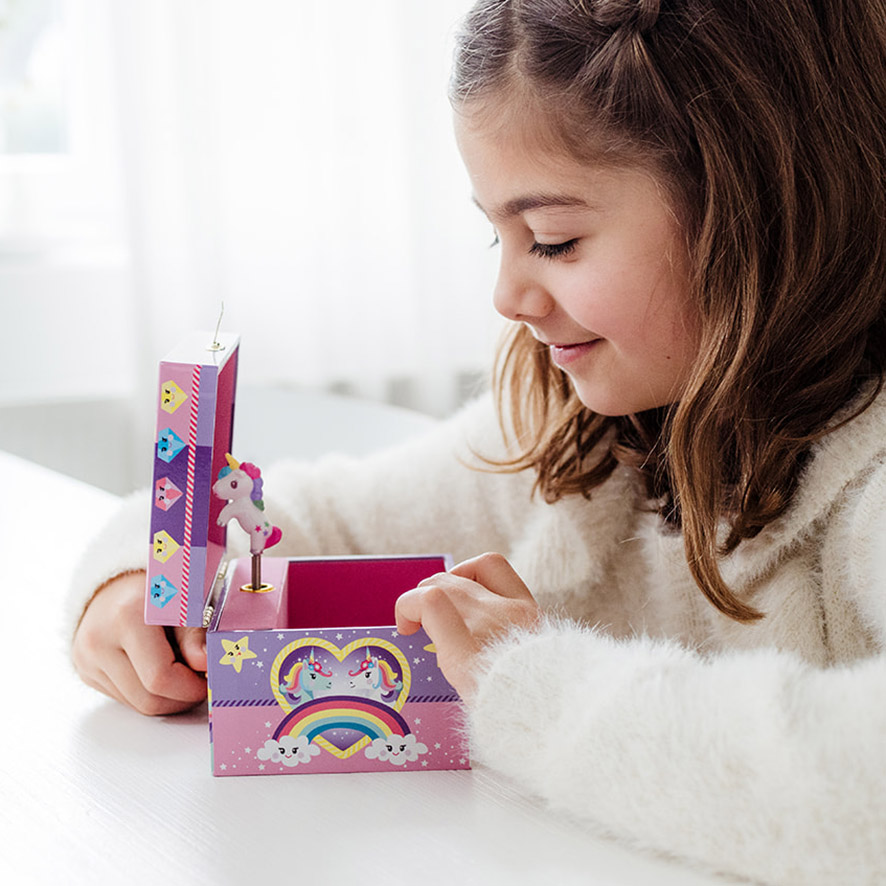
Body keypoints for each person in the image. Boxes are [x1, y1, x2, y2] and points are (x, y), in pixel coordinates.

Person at [69, 0, 886, 882]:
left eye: (553, 241)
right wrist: (133, 579)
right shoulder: (578, 435)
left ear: (759, 209)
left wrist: (525, 681)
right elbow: (319, 516)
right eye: (497, 234)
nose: (507, 295)